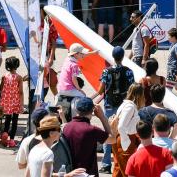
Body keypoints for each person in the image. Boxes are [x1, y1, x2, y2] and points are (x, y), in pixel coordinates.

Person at [96, 45, 135, 173]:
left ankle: (106, 164)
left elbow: (100, 90)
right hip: (123, 106)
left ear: (112, 56)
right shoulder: (129, 71)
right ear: (123, 56)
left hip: (109, 106)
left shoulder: (106, 71)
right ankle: (123, 162)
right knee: (123, 133)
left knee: (109, 133)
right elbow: (132, 89)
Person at [62, 96, 110, 176]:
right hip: (88, 173)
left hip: (70, 173)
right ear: (92, 111)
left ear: (76, 109)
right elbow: (112, 139)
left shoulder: (66, 127)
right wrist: (102, 117)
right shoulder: (92, 129)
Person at [114, 83, 147, 177]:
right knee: (127, 170)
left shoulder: (126, 104)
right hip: (126, 139)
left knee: (119, 169)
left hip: (123, 137)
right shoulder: (130, 107)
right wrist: (126, 141)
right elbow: (121, 126)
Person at [57, 43, 90, 118]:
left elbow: (84, 55)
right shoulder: (74, 65)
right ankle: (78, 116)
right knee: (83, 96)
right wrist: (79, 89)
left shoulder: (67, 59)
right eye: (82, 54)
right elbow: (74, 79)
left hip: (60, 88)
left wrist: (94, 53)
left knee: (77, 96)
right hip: (67, 89)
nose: (83, 55)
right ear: (76, 54)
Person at [0, 56, 23, 140]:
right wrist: (22, 105)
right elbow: (21, 92)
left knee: (7, 120)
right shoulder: (19, 77)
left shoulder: (4, 76)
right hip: (15, 101)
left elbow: (1, 89)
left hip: (6, 101)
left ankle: (4, 138)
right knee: (15, 121)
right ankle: (12, 139)